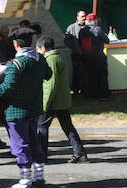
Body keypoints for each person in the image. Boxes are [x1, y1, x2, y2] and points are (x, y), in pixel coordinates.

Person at [0, 36, 52, 188]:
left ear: (16, 45)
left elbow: (6, 89)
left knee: (20, 145)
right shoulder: (39, 60)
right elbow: (48, 75)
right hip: (34, 109)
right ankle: (39, 177)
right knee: (35, 142)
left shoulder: (15, 64)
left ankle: (25, 180)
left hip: (16, 111)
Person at [36, 35, 88, 163]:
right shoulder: (59, 56)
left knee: (41, 127)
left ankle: (41, 155)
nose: (37, 51)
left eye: (38, 48)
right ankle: (79, 153)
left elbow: (50, 83)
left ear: (43, 48)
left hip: (53, 101)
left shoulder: (50, 60)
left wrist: (44, 104)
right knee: (68, 127)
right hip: (62, 99)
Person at [79, 13, 110, 99]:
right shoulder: (97, 29)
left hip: (87, 56)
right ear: (95, 20)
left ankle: (90, 94)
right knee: (101, 76)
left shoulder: (82, 30)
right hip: (98, 56)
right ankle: (102, 94)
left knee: (90, 76)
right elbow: (107, 40)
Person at [64, 10, 88, 94]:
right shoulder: (71, 27)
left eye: (85, 16)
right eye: (82, 16)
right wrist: (74, 48)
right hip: (76, 54)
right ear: (77, 17)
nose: (84, 18)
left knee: (86, 71)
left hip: (87, 54)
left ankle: (86, 88)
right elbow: (66, 40)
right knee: (77, 72)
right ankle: (76, 89)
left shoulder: (88, 27)